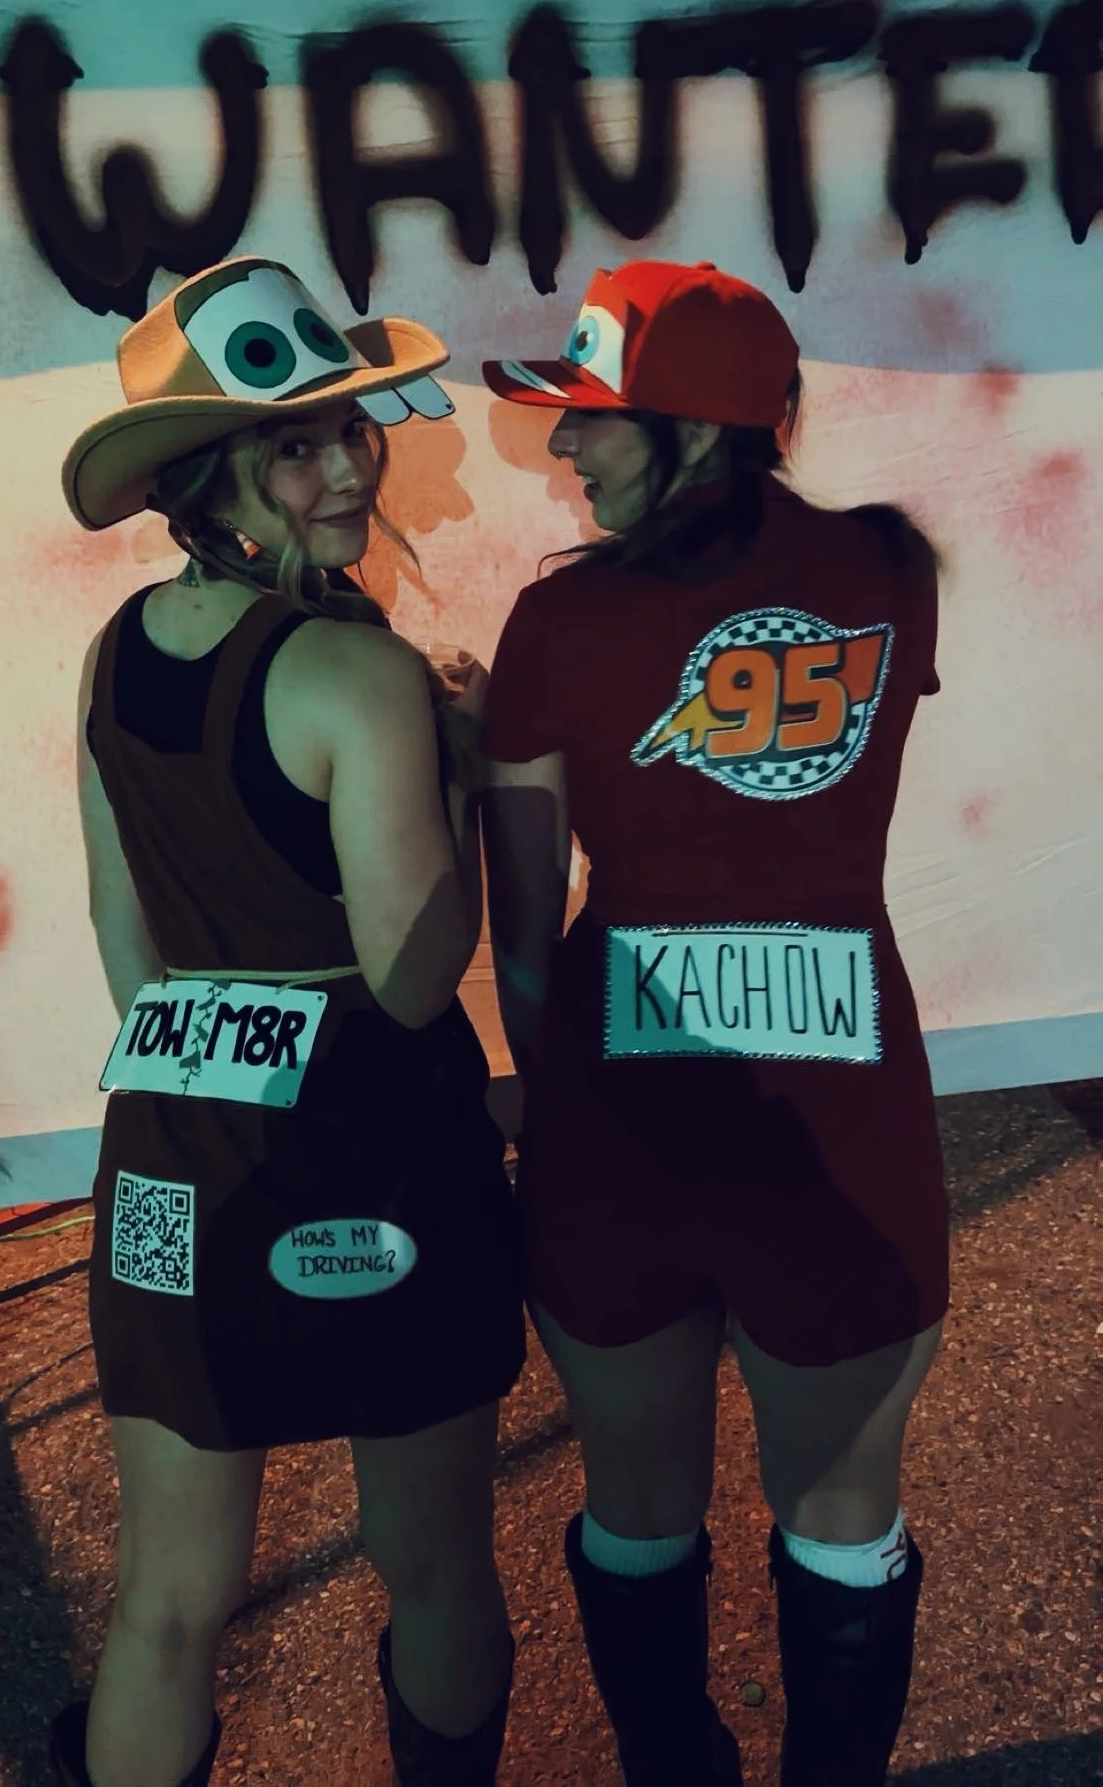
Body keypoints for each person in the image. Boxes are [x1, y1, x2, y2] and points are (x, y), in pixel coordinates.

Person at [53, 256, 526, 1787]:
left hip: (176, 1153)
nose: (343, 469)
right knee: (436, 1564)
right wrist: (458, 772)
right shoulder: (359, 671)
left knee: (169, 1603)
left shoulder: (109, 657)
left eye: (346, 431)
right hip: (375, 1149)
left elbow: (128, 956)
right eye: (294, 444)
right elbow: (406, 976)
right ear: (211, 478)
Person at [479, 260, 949, 1787]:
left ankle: (674, 1768)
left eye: (591, 422)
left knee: (635, 1504)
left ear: (690, 425)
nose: (564, 453)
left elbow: (526, 926)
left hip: (623, 1111)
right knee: (842, 1518)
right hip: (843, 1110)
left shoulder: (559, 622)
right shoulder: (889, 572)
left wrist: (557, 1113)